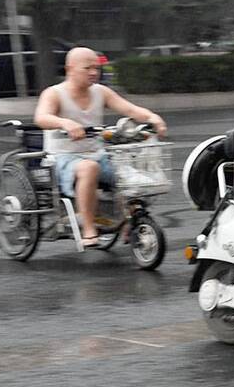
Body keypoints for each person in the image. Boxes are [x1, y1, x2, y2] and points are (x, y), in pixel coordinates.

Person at [34, 47, 167, 248]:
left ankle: (130, 221)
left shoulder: (101, 92)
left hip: (98, 154)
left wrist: (151, 117)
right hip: (62, 158)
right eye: (87, 68)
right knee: (89, 168)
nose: (94, 73)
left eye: (96, 68)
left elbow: (130, 109)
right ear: (70, 68)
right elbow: (41, 117)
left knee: (137, 175)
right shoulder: (54, 93)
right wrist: (65, 123)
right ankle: (88, 229)